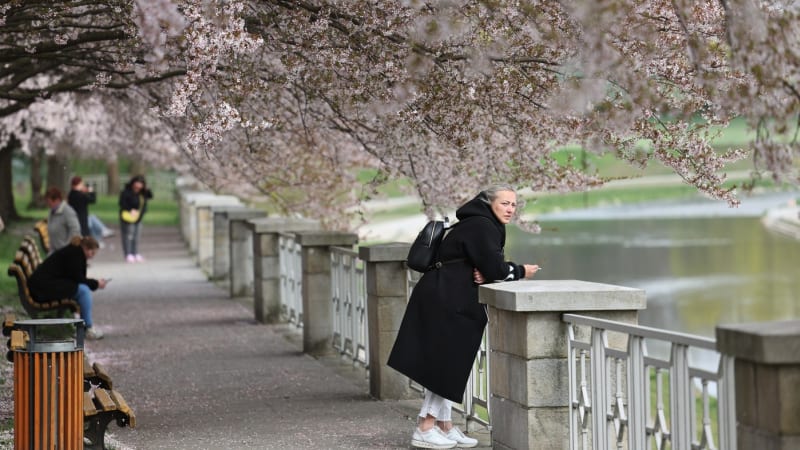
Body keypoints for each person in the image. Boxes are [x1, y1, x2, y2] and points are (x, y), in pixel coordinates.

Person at [388, 185, 541, 449]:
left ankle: (444, 426)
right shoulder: (482, 226)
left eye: (514, 205)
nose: (510, 210)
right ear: (488, 202)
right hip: (449, 300)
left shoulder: (473, 222)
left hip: (444, 296)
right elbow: (494, 267)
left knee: (446, 363)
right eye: (505, 203)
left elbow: (485, 267)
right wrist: (519, 271)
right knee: (446, 363)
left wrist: (488, 271)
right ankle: (425, 426)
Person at [28, 236, 108, 340]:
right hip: (42, 289)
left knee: (82, 289)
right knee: (83, 291)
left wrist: (95, 283)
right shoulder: (75, 255)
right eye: (92, 253)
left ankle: (85, 327)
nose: (91, 256)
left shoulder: (74, 251)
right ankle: (88, 328)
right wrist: (96, 283)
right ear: (86, 248)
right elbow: (79, 279)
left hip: (41, 285)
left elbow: (76, 278)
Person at [118, 174, 153, 263]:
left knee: (136, 236)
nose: (138, 185)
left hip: (138, 218)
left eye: (141, 183)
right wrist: (130, 210)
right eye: (137, 183)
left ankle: (135, 253)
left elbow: (150, 196)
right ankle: (128, 254)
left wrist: (146, 189)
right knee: (128, 236)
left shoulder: (142, 193)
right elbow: (122, 203)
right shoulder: (127, 192)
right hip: (127, 217)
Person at [45, 186, 81, 255]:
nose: (48, 205)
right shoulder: (52, 212)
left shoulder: (68, 212)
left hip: (66, 253)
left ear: (57, 200)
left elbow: (76, 231)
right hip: (55, 252)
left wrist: (67, 248)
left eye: (49, 203)